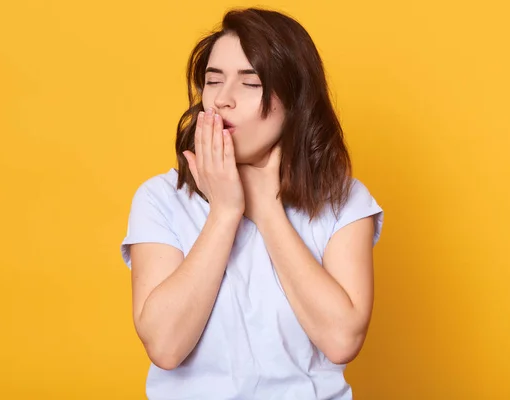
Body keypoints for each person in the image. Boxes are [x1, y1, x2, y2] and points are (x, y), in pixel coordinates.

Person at [120, 7, 384, 400]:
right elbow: (165, 347)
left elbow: (342, 339)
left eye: (250, 82)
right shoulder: (160, 199)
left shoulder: (344, 201)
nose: (223, 100)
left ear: (295, 99)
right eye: (213, 81)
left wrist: (266, 208)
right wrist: (226, 212)